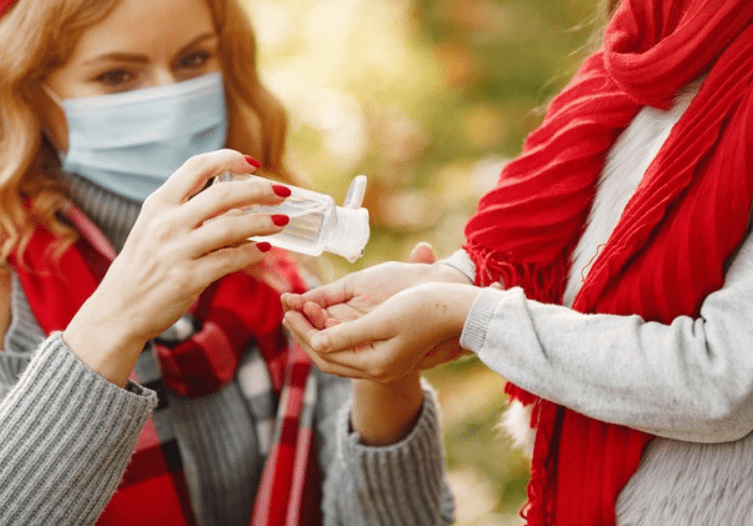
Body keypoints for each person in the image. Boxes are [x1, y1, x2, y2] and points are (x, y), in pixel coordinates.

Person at [0, 1, 454, 525]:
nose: (168, 100)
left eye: (193, 60)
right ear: (27, 90)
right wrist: (118, 317)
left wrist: (385, 377)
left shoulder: (273, 266)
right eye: (117, 75)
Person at [283, 0, 753, 524]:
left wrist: (473, 315)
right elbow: (556, 227)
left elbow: (723, 377)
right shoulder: (653, 31)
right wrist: (451, 278)